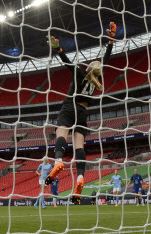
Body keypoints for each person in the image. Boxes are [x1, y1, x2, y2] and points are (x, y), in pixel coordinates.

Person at [44, 22, 118, 205]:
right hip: (83, 113)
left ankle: (59, 161)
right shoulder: (96, 80)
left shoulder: (79, 72)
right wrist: (111, 40)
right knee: (79, 148)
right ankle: (80, 178)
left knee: (61, 133)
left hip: (70, 106)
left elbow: (67, 63)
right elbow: (106, 60)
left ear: (88, 68)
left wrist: (58, 49)